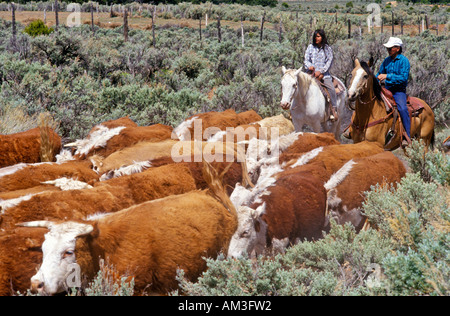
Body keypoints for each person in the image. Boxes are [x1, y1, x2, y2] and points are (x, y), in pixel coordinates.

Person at [376, 37, 411, 148]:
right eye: (388, 48)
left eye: (390, 48)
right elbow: (379, 73)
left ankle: (406, 136)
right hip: (386, 89)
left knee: (402, 108)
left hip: (398, 91)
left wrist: (387, 76)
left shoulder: (404, 61)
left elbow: (403, 78)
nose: (388, 50)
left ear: (397, 48)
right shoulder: (387, 61)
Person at [304, 29, 338, 121]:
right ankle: (294, 109)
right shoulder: (310, 47)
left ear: (322, 37)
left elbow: (329, 62)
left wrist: (321, 71)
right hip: (311, 73)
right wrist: (309, 66)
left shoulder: (327, 49)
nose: (316, 38)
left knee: (331, 89)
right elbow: (306, 59)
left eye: (318, 36)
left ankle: (333, 110)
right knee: (299, 85)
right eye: (315, 36)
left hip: (324, 75)